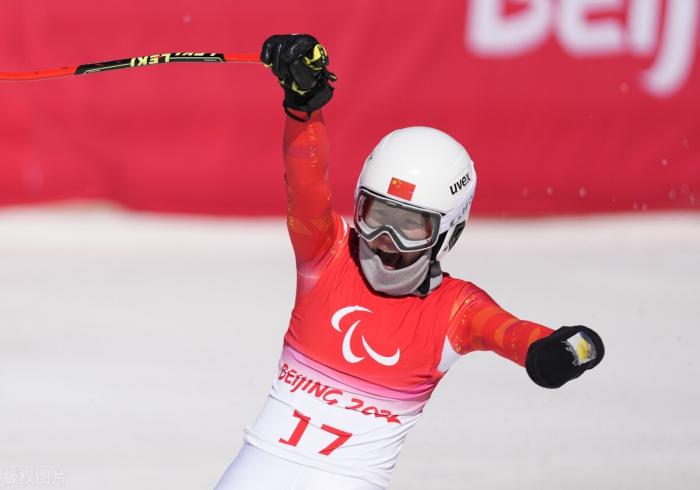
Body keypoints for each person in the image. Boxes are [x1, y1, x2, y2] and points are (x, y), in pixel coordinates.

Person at [215, 34, 604, 490]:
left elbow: (513, 334)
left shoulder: (457, 310)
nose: (385, 241)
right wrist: (303, 109)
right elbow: (306, 184)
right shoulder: (327, 255)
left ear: (449, 232)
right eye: (376, 216)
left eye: (411, 227)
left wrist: (559, 349)